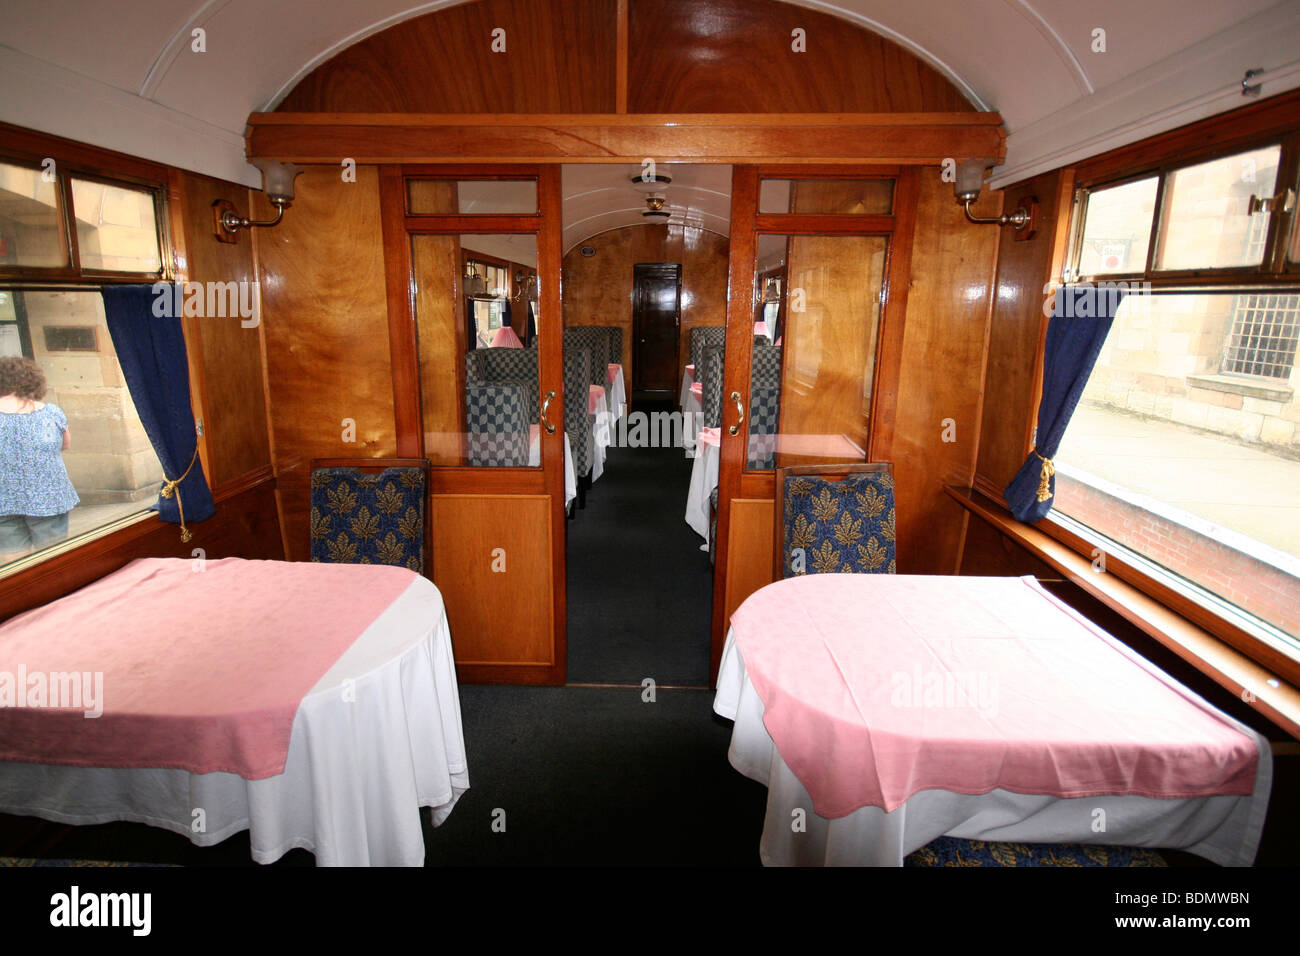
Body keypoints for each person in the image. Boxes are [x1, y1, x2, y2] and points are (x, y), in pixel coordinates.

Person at [0, 356, 80, 560]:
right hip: (48, 498)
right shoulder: (51, 413)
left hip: (3, 500)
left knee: (14, 563)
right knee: (52, 560)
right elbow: (65, 445)